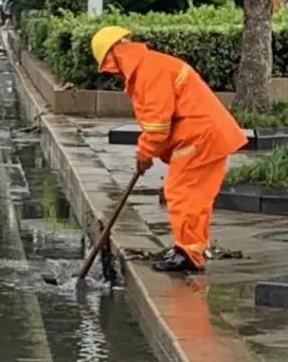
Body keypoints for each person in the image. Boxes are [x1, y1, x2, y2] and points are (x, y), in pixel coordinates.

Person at [91, 26, 247, 273]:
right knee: (196, 197)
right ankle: (191, 248)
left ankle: (188, 254)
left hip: (199, 137)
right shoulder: (151, 65)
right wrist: (149, 151)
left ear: (113, 57)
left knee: (182, 192)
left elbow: (157, 124)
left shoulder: (148, 72)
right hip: (206, 135)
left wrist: (144, 153)